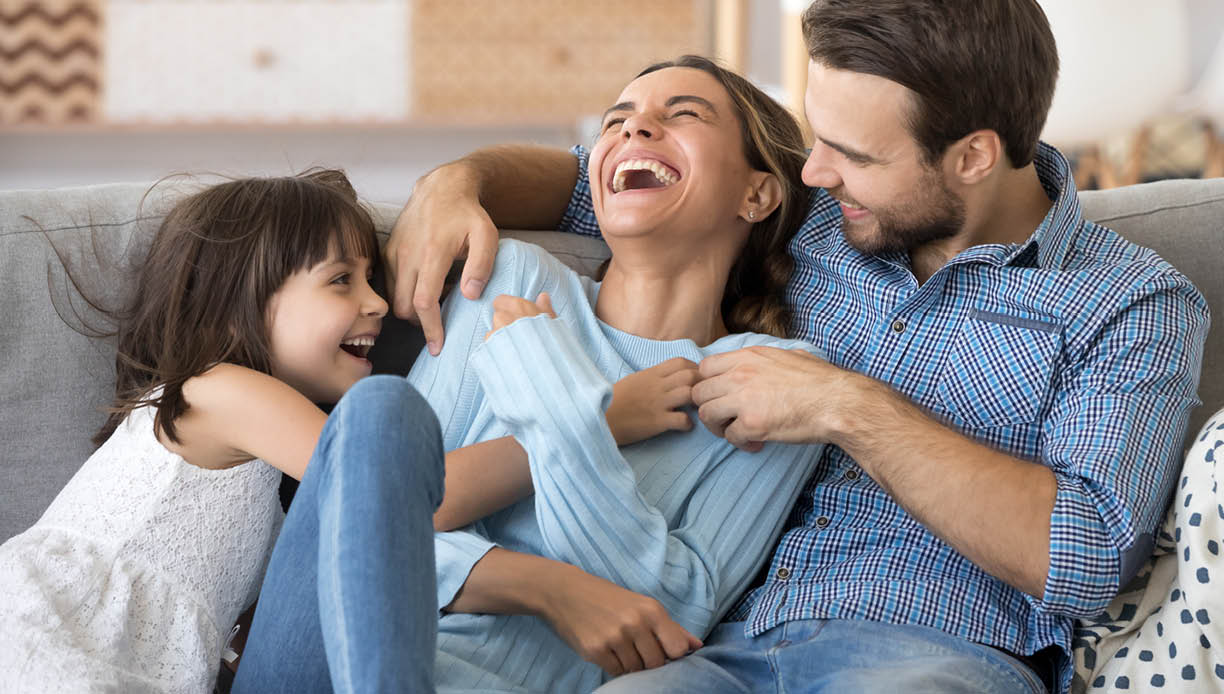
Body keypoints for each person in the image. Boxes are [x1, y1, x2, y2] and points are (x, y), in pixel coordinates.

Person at [383, 2, 1211, 693]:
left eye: (850, 154)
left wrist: (846, 406)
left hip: (936, 653)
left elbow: (1086, 553)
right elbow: (600, 178)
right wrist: (455, 183)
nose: (814, 171)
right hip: (726, 649)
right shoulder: (814, 215)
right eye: (816, 139)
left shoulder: (1132, 303)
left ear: (972, 156)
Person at [232, 55, 823, 693]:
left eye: (682, 115)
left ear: (757, 194)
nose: (633, 131)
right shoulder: (515, 280)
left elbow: (669, 613)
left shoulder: (770, 382)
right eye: (616, 122)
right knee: (379, 414)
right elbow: (386, 518)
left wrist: (562, 408)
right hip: (324, 662)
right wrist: (550, 589)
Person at [0, 169, 429, 693]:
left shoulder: (257, 460)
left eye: (372, 281)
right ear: (234, 307)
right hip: (51, 644)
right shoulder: (218, 392)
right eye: (342, 279)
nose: (379, 303)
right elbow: (405, 495)